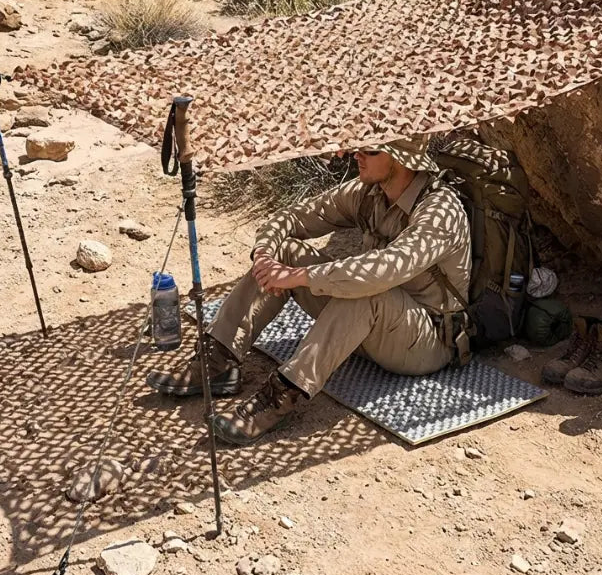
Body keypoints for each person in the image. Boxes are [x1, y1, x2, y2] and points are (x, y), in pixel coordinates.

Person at [146, 136, 471, 445]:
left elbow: (382, 270)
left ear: (401, 158)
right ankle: (218, 362)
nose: (356, 154)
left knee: (367, 288)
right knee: (287, 251)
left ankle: (282, 394)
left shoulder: (441, 212)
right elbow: (296, 216)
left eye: (369, 150)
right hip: (370, 327)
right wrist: (265, 254)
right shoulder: (369, 192)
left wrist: (299, 277)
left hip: (427, 341)